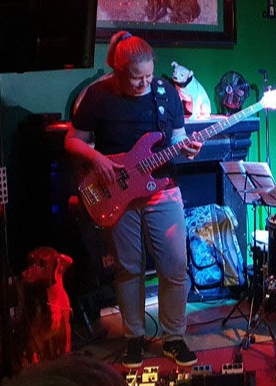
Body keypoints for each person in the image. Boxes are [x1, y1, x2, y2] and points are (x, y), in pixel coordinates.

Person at [64, 31, 202, 368]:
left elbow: (178, 139)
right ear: (118, 71)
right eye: (137, 78)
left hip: (162, 189)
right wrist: (97, 159)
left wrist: (188, 149)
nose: (144, 84)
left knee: (175, 265)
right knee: (128, 269)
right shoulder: (98, 95)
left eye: (149, 76)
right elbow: (72, 140)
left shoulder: (166, 92)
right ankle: (134, 338)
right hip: (118, 191)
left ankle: (174, 337)